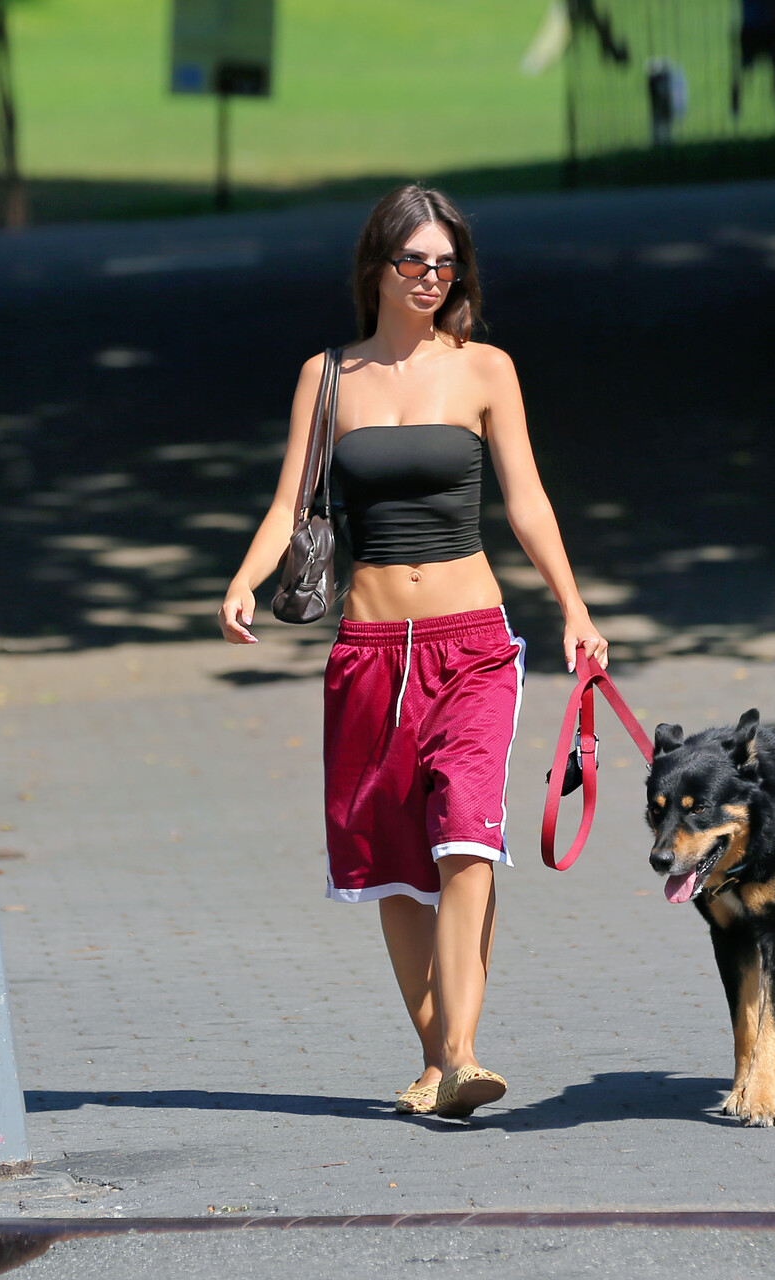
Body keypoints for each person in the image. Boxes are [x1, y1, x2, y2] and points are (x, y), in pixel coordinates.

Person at [217, 185, 608, 1118]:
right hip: (368, 649)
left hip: (472, 642)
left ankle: (464, 1053)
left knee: (465, 835)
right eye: (414, 261)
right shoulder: (328, 378)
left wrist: (574, 606)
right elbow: (289, 505)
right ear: (377, 267)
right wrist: (244, 580)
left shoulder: (485, 369)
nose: (432, 277)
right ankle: (436, 1060)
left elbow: (528, 501)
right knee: (395, 859)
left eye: (446, 264)